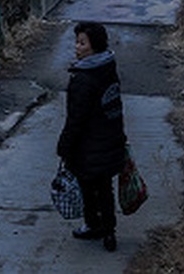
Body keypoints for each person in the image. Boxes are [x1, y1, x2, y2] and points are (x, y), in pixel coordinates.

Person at [56, 21, 127, 252]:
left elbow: (76, 119)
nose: (77, 47)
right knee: (105, 188)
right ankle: (109, 232)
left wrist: (65, 146)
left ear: (94, 46)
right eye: (77, 42)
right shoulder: (108, 69)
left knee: (88, 186)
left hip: (88, 146)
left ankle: (93, 225)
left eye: (82, 43)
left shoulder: (83, 79)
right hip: (110, 140)